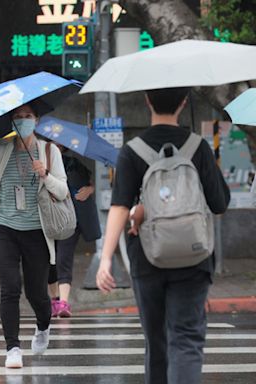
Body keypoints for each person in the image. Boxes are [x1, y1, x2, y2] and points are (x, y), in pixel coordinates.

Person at [96, 87, 230, 384]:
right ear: (184, 102)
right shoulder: (199, 147)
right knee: (185, 339)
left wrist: (105, 259)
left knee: (156, 343)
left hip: (147, 259)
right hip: (194, 258)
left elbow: (119, 207)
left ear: (147, 101)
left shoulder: (132, 151)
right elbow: (220, 204)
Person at [0, 104, 68, 369]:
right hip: (5, 229)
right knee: (10, 288)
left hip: (37, 232)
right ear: (11, 122)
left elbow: (64, 191)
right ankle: (12, 348)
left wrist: (44, 174)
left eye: (28, 117)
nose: (23, 121)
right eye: (18, 117)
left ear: (37, 119)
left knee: (37, 294)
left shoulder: (49, 150)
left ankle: (43, 326)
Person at [48, 148, 101, 318]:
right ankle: (54, 299)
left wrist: (89, 190)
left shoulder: (74, 163)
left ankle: (63, 302)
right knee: (50, 260)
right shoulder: (41, 161)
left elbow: (89, 182)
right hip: (48, 218)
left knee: (64, 257)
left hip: (71, 219)